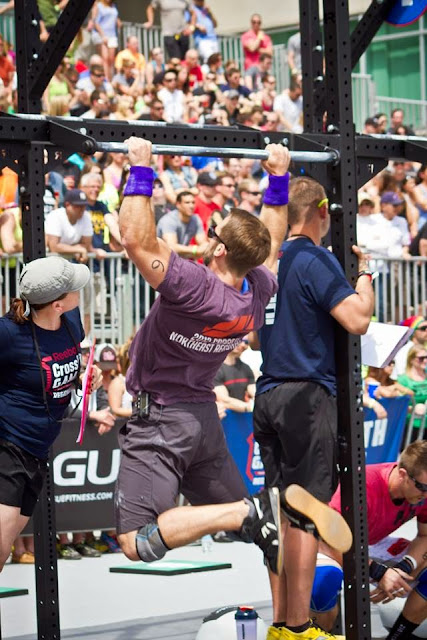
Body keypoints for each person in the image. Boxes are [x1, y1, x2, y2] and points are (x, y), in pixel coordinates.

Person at [114, 136, 295, 577]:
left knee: (136, 542)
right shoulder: (258, 290)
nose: (209, 232)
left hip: (162, 418)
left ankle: (246, 510)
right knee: (257, 527)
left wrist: (140, 167)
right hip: (202, 419)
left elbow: (136, 241)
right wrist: (278, 178)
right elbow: (271, 241)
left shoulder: (193, 286)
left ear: (218, 249)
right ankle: (255, 514)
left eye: (214, 231)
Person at [254, 176, 374, 640]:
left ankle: (282, 623)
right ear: (322, 211)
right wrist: (366, 276)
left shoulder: (270, 260)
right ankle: (298, 627)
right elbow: (357, 319)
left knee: (283, 516)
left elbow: (256, 334)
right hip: (305, 396)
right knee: (305, 514)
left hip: (269, 393)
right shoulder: (313, 258)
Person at [0, 255, 101, 571]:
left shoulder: (71, 322)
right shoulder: (9, 334)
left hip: (37, 451)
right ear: (57, 304)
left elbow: (64, 366)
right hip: (8, 447)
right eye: (73, 288)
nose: (79, 292)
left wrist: (85, 376)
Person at [309, 441, 427, 640]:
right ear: (403, 474)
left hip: (370, 543)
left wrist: (403, 568)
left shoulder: (422, 493)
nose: (426, 495)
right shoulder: (364, 484)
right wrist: (378, 572)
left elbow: (425, 536)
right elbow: (331, 539)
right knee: (325, 579)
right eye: (423, 488)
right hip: (329, 542)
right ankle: (318, 633)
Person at [156, 190, 208, 259]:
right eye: (187, 203)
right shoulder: (169, 220)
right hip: (160, 259)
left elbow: (203, 243)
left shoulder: (195, 219)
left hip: (179, 260)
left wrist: (201, 249)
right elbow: (171, 247)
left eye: (193, 202)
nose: (191, 206)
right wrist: (195, 250)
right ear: (178, 204)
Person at [214, 337, 255, 413]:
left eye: (246, 342)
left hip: (244, 415)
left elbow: (253, 390)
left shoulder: (245, 367)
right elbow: (224, 400)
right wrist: (251, 407)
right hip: (225, 416)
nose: (243, 344)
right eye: (239, 340)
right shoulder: (215, 370)